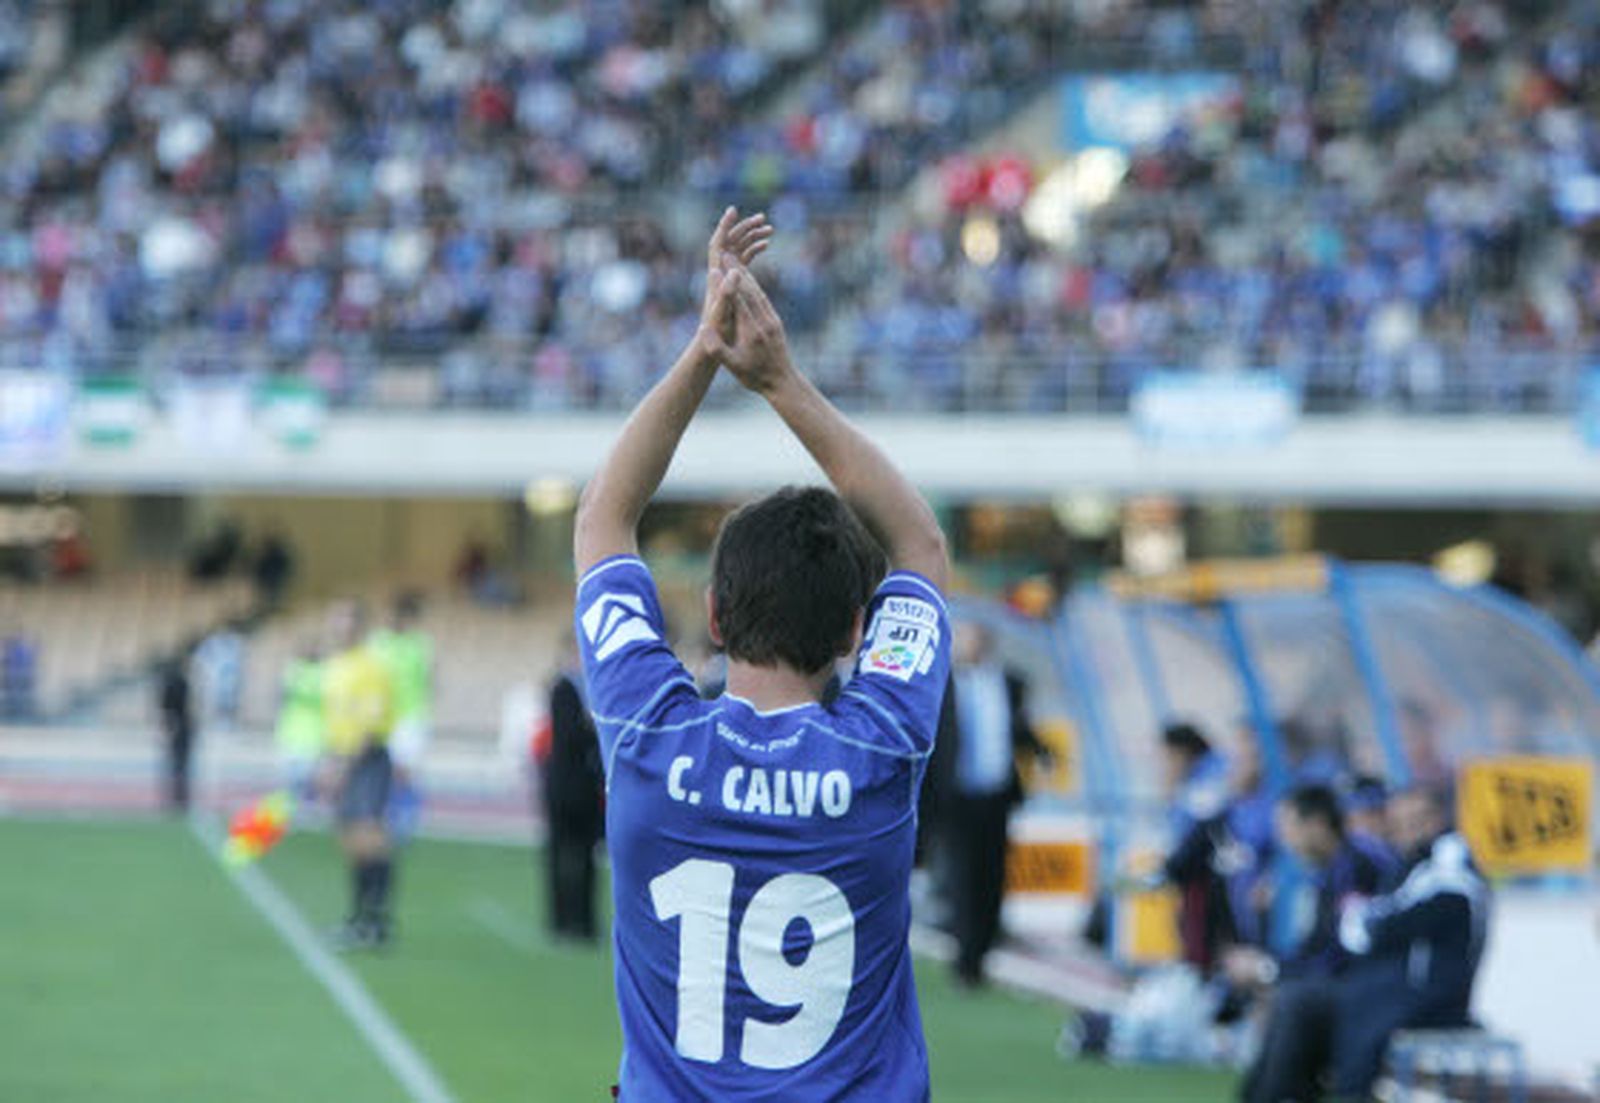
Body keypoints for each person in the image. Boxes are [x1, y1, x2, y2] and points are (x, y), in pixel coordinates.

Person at [571, 208, 950, 1099]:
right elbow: (921, 546)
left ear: (711, 613)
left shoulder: (645, 733)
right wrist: (782, 383)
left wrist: (706, 349)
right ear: (859, 630)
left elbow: (603, 516)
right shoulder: (881, 744)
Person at [1240, 786, 1489, 1103]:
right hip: (1385, 991)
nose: (1405, 829)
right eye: (1400, 821)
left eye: (1415, 820)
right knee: (1295, 1001)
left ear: (1438, 818)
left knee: (1299, 1003)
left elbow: (1378, 928)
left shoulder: (1445, 862)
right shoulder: (1407, 865)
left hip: (1422, 997)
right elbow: (1360, 927)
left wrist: (1272, 969)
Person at [944, 621, 1046, 987]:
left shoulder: (1009, 682)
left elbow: (1020, 729)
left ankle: (984, 951)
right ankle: (966, 960)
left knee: (993, 875)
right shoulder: (944, 685)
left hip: (998, 794)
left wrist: (1042, 751)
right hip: (958, 795)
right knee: (962, 876)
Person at [320, 601, 398, 949]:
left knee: (369, 835)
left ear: (360, 627)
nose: (342, 628)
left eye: (349, 621)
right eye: (337, 620)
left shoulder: (371, 667)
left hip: (366, 760)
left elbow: (369, 724)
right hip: (341, 757)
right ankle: (358, 918)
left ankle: (376, 919)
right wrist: (330, 760)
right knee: (350, 840)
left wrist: (344, 766)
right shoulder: (336, 665)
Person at [543, 636, 605, 941]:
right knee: (562, 853)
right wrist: (593, 729)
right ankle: (563, 919)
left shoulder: (588, 691)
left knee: (584, 855)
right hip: (566, 785)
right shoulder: (563, 689)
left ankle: (584, 920)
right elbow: (569, 736)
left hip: (585, 784)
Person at [274, 640, 324, 800]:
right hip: (291, 733)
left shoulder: (324, 672)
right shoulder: (294, 670)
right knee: (290, 780)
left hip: (313, 735)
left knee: (305, 779)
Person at [158, 647, 195, 812]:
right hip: (183, 727)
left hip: (177, 727)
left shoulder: (169, 682)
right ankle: (180, 798)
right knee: (181, 766)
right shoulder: (182, 682)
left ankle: (175, 798)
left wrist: (167, 727)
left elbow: (165, 708)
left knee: (176, 765)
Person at [253, 528, 295, 613]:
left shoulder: (278, 555)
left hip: (273, 582)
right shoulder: (265, 554)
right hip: (265, 583)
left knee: (271, 599)